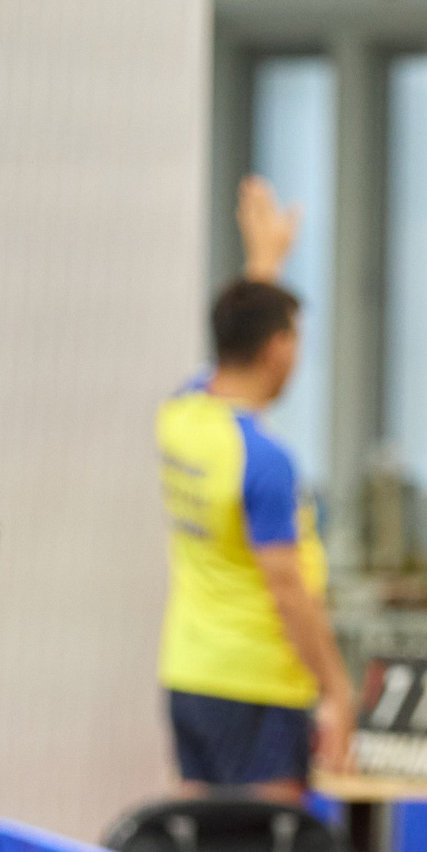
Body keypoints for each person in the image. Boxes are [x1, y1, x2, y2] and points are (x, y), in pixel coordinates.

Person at [154, 175, 354, 800]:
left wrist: (265, 264)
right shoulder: (264, 460)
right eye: (293, 337)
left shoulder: (181, 417)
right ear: (279, 347)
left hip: (189, 672)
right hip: (258, 682)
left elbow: (228, 356)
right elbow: (288, 590)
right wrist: (337, 690)